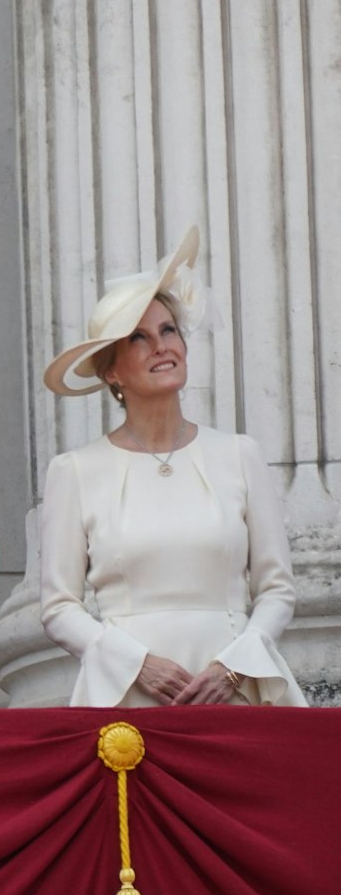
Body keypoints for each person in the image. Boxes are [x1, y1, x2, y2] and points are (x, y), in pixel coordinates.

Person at [39, 228, 306, 707]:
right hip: (127, 696)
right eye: (138, 338)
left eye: (168, 330)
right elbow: (59, 607)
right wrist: (135, 663)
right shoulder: (75, 471)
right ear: (111, 372)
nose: (161, 345)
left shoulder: (240, 455)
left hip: (234, 690)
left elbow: (277, 589)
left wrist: (234, 667)